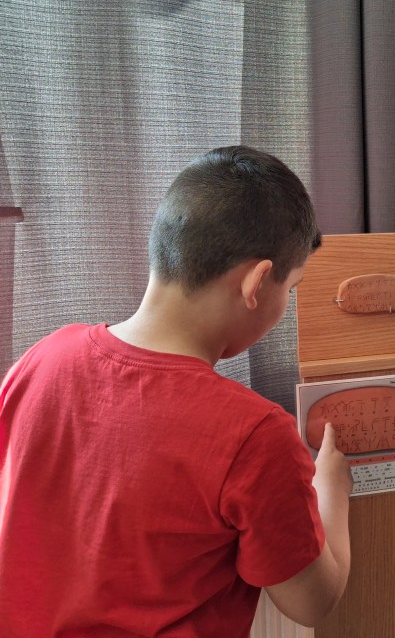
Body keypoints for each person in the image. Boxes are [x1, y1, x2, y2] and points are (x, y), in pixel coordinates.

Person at [0, 146, 353, 637]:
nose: (285, 306)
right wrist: (331, 490)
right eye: (290, 290)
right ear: (256, 283)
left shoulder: (42, 357)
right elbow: (312, 602)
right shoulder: (255, 434)